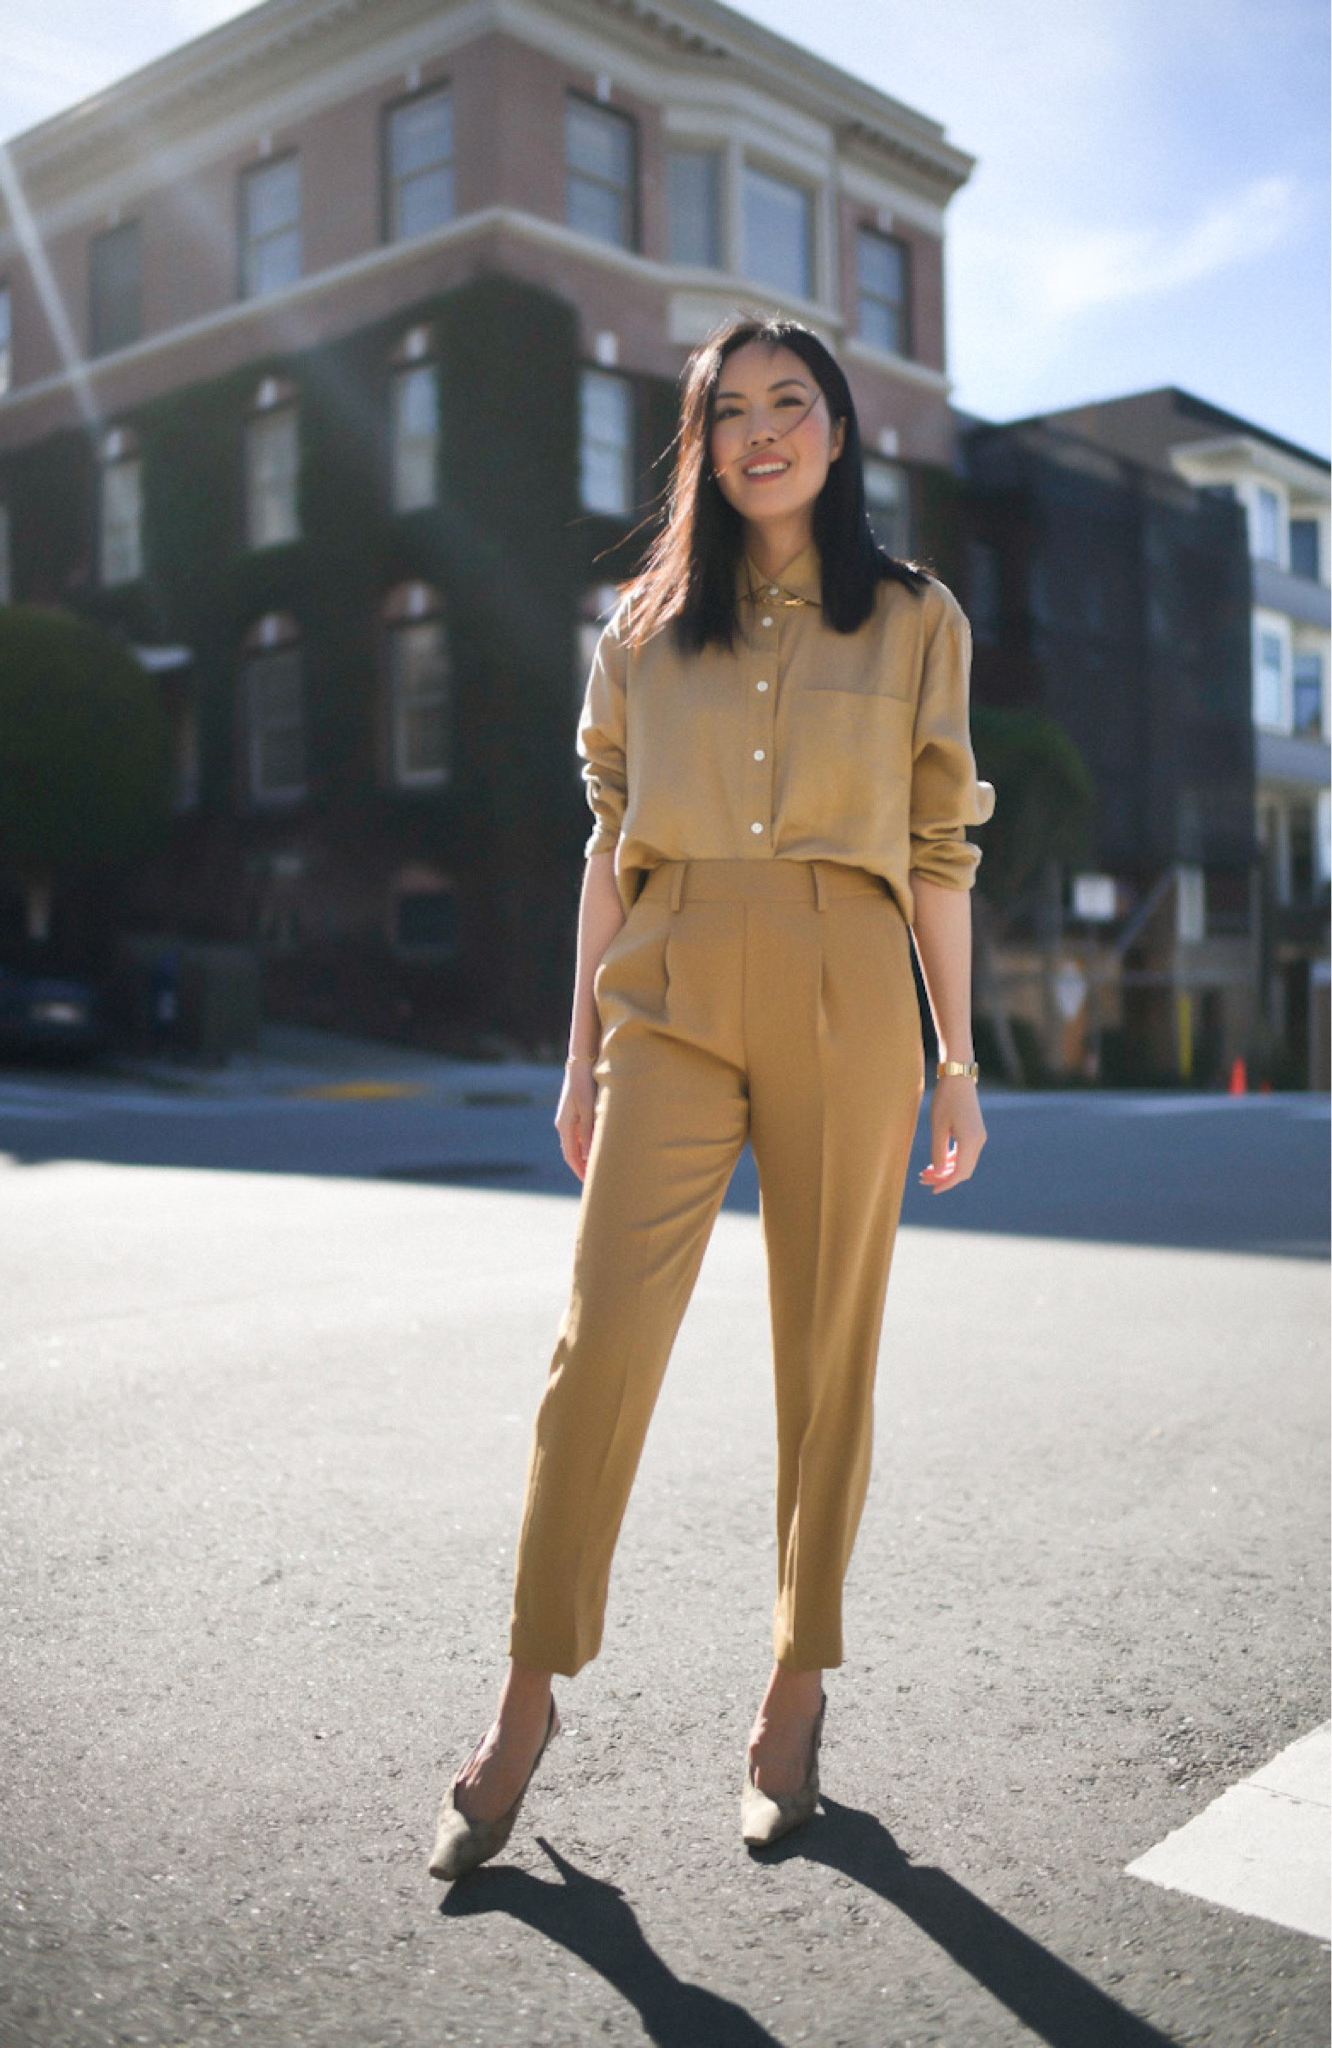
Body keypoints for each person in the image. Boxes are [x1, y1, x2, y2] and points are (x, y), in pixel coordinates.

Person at [430, 315, 993, 1880]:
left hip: (846, 987)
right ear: (698, 442)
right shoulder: (640, 623)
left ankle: (793, 1692)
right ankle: (525, 1700)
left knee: (827, 1353)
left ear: (836, 427)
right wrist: (571, 1058)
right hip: (667, 990)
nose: (758, 432)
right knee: (598, 1339)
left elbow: (939, 854)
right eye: (727, 410)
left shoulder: (913, 618)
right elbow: (608, 848)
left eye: (787, 403)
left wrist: (956, 1060)